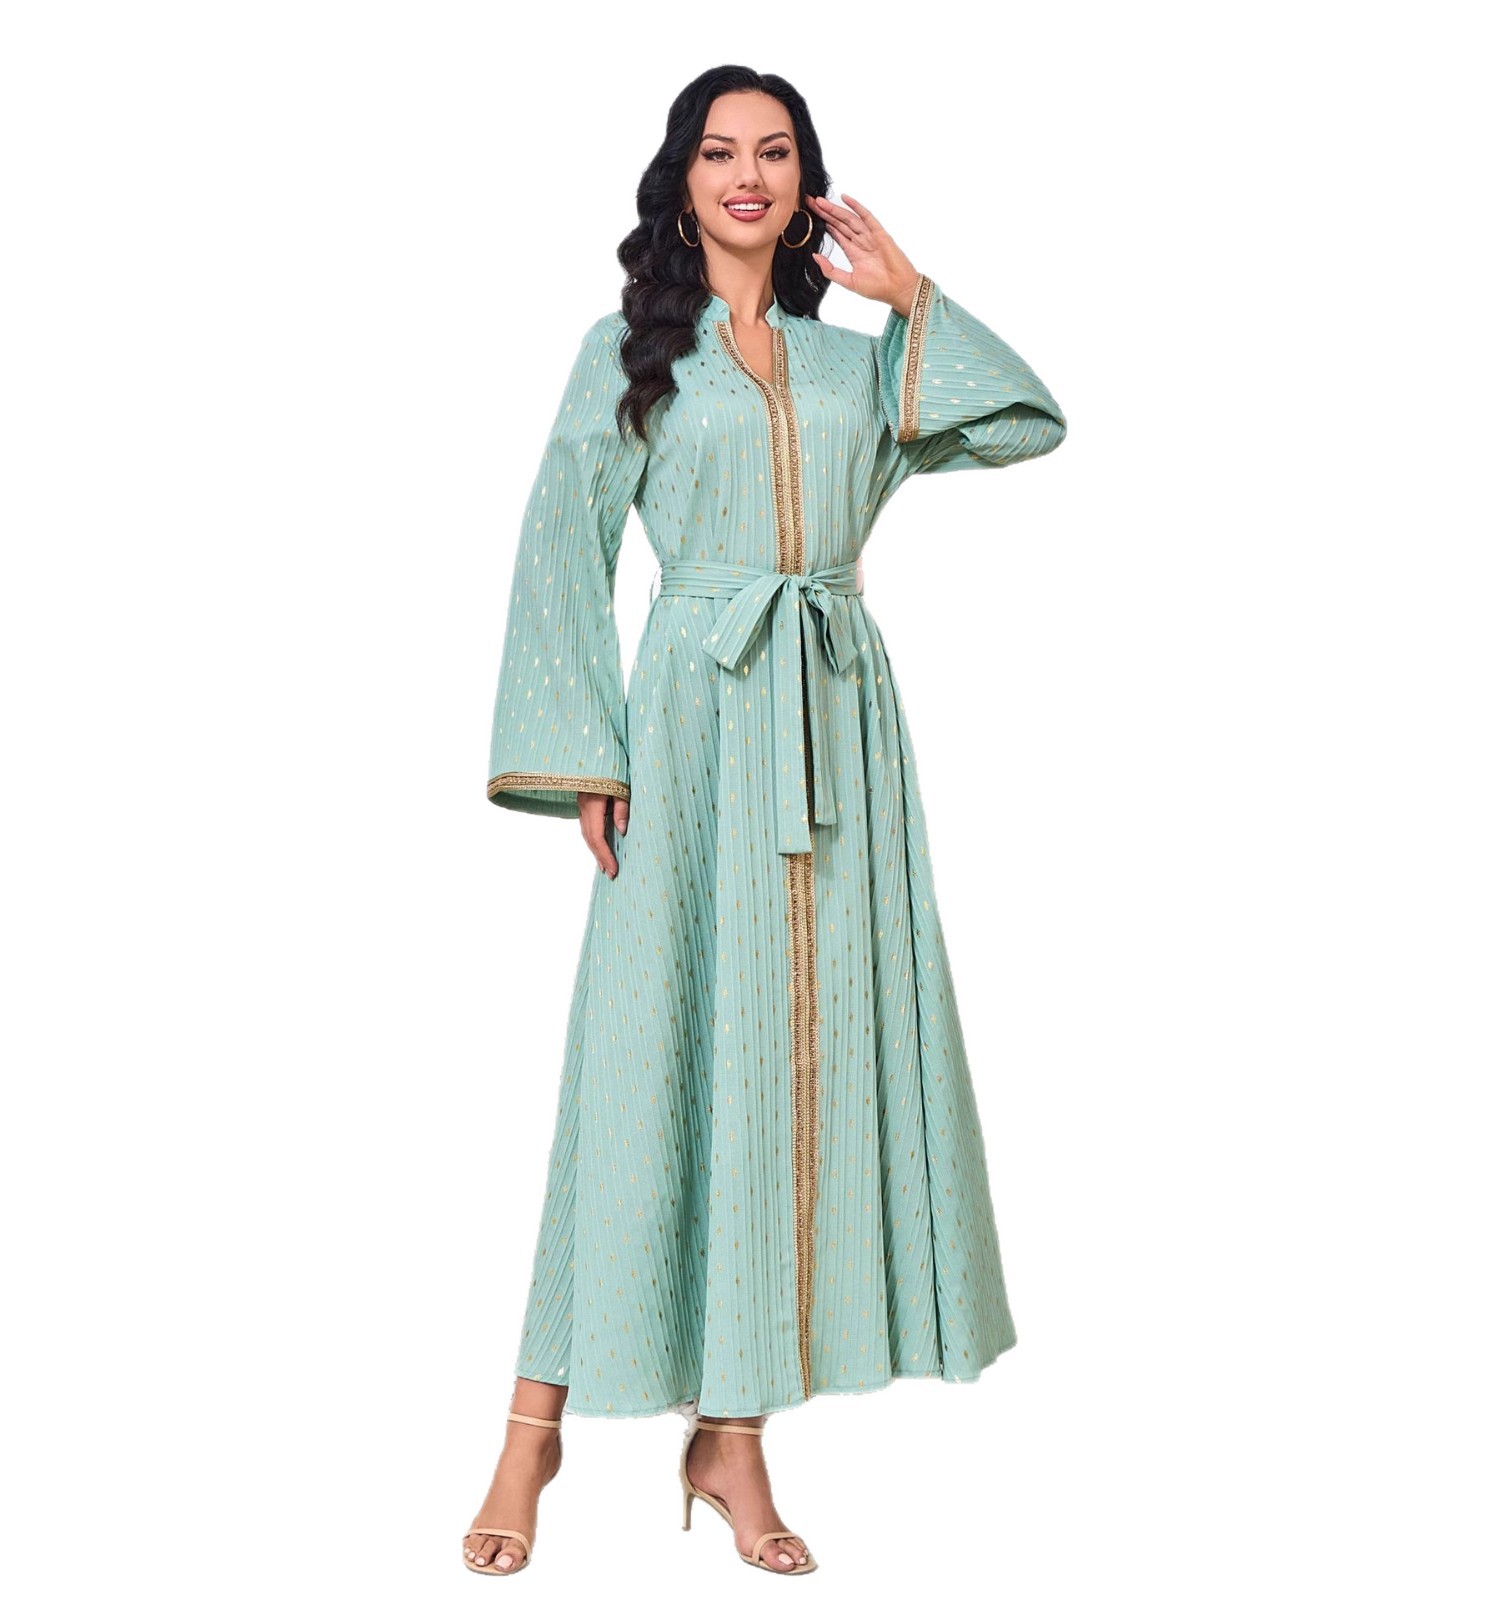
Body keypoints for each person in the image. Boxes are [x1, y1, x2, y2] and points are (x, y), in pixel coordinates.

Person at [463, 64, 1066, 1578]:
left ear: (806, 184)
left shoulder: (857, 367)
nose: (749, 173)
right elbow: (563, 540)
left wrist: (913, 297)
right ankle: (531, 1429)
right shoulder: (630, 352)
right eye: (721, 151)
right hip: (688, 725)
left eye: (777, 152)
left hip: (836, 729)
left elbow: (1022, 424)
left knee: (796, 1060)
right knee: (644, 1062)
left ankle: (730, 1436)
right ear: (683, 182)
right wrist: (584, 751)